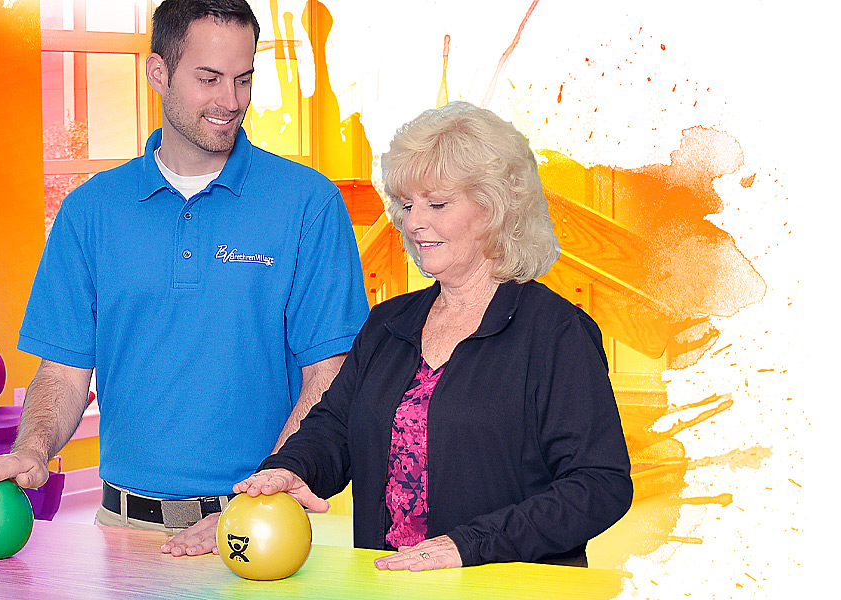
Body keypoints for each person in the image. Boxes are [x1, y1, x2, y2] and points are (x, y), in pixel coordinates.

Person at [0, 0, 369, 556]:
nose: (231, 102)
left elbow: (329, 374)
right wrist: (33, 448)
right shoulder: (91, 210)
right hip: (124, 527)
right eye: (209, 79)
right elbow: (66, 371)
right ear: (158, 73)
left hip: (260, 527)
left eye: (243, 80)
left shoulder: (308, 203)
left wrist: (261, 500)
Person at [231, 101, 633, 569]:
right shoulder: (388, 324)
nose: (413, 221)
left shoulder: (557, 332)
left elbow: (599, 484)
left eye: (437, 204)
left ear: (495, 208)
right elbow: (335, 426)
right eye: (406, 204)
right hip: (389, 584)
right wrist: (292, 468)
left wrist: (471, 545)